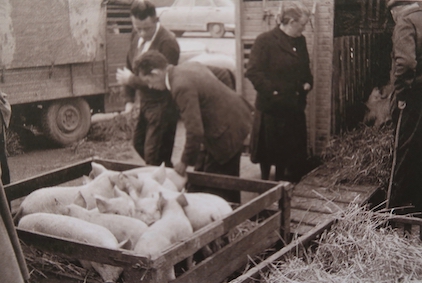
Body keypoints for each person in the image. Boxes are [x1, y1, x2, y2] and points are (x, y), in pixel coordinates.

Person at [133, 50, 252, 202]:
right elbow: (222, 74)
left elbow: (194, 131)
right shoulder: (187, 66)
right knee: (208, 178)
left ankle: (229, 215)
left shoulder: (180, 86)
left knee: (217, 185)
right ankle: (233, 211)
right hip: (233, 120)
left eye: (149, 81)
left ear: (156, 73)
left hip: (227, 131)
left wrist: (184, 162)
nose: (150, 86)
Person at [245, 1, 313, 182]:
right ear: (291, 22)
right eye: (302, 24)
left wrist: (308, 82)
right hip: (272, 108)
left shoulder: (300, 41)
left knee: (287, 154)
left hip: (293, 106)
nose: (304, 29)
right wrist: (272, 92)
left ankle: (282, 185)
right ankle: (266, 183)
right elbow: (252, 71)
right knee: (268, 153)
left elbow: (305, 67)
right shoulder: (265, 41)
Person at [116, 0, 180, 167]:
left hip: (163, 105)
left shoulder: (168, 43)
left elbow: (163, 81)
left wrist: (131, 80)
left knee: (154, 154)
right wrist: (129, 100)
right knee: (138, 144)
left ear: (156, 20)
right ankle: (166, 177)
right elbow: (130, 67)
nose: (142, 33)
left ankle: (163, 183)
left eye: (147, 28)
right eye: (138, 28)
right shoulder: (135, 35)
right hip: (146, 103)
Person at [386, 0, 422, 211]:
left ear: (396, 9)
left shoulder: (405, 22)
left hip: (415, 96)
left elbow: (406, 63)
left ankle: (395, 208)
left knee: (405, 148)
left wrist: (401, 94)